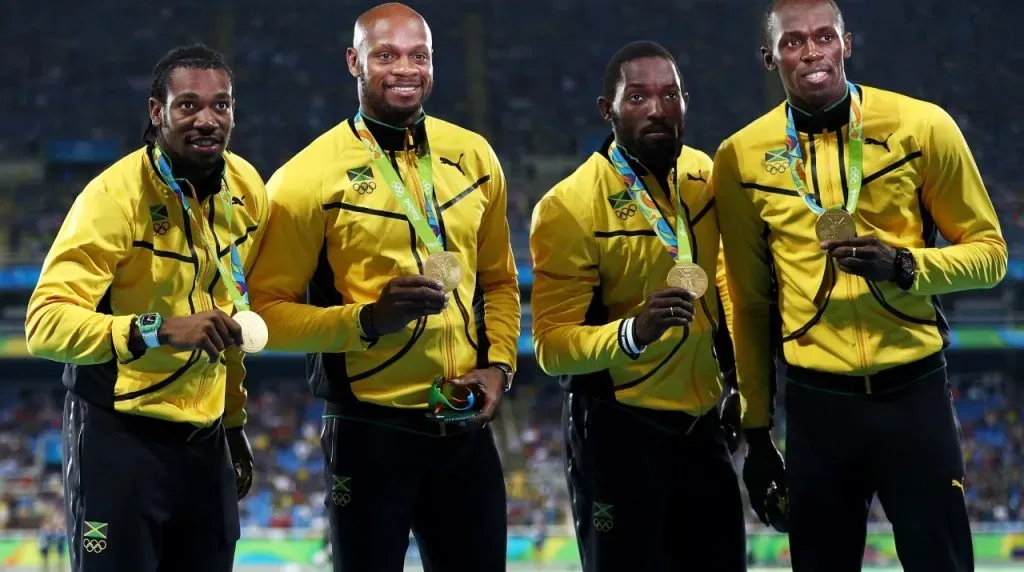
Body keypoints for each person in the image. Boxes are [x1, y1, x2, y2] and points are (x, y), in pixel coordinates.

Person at [713, 1, 1008, 570]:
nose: (811, 51)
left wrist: (905, 265)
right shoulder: (740, 158)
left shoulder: (922, 127)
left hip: (914, 395)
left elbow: (991, 256)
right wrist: (756, 433)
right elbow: (750, 305)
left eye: (824, 36)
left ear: (848, 43)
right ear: (768, 57)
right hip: (816, 409)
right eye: (793, 41)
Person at [247, 4, 520, 571]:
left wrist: (499, 368)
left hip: (463, 423)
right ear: (354, 61)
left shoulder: (474, 157)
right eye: (386, 54)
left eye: (419, 55)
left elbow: (498, 280)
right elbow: (264, 314)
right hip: (368, 430)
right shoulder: (304, 179)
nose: (405, 69)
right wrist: (366, 321)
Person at [25, 44, 267, 572]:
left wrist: (232, 423)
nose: (207, 119)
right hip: (120, 436)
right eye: (188, 105)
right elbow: (43, 325)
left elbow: (232, 310)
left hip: (205, 442)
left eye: (221, 105)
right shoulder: (113, 198)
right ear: (157, 112)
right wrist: (157, 330)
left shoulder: (247, 190)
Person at [530, 41, 746, 572]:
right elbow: (552, 347)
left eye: (669, 94)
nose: (656, 108)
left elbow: (726, 290)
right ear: (609, 109)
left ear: (686, 102)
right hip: (618, 435)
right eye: (639, 96)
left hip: (703, 431)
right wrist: (632, 332)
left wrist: (740, 383)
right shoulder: (569, 206)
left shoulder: (707, 179)